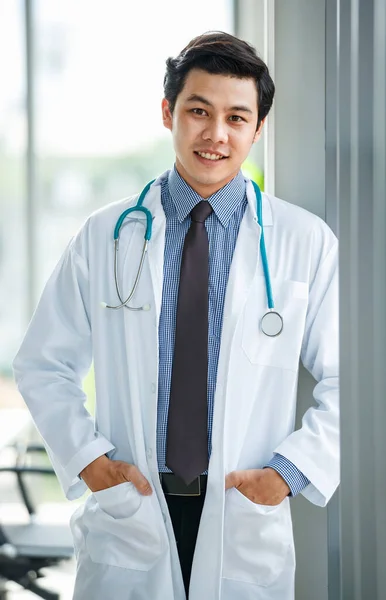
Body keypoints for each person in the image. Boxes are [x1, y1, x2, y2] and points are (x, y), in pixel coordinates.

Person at [13, 31, 339, 600]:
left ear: (258, 129)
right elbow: (43, 364)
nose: (216, 134)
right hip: (132, 506)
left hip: (241, 509)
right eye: (198, 111)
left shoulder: (302, 241)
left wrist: (286, 475)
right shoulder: (106, 236)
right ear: (168, 113)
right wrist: (90, 462)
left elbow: (350, 380)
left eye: (238, 118)